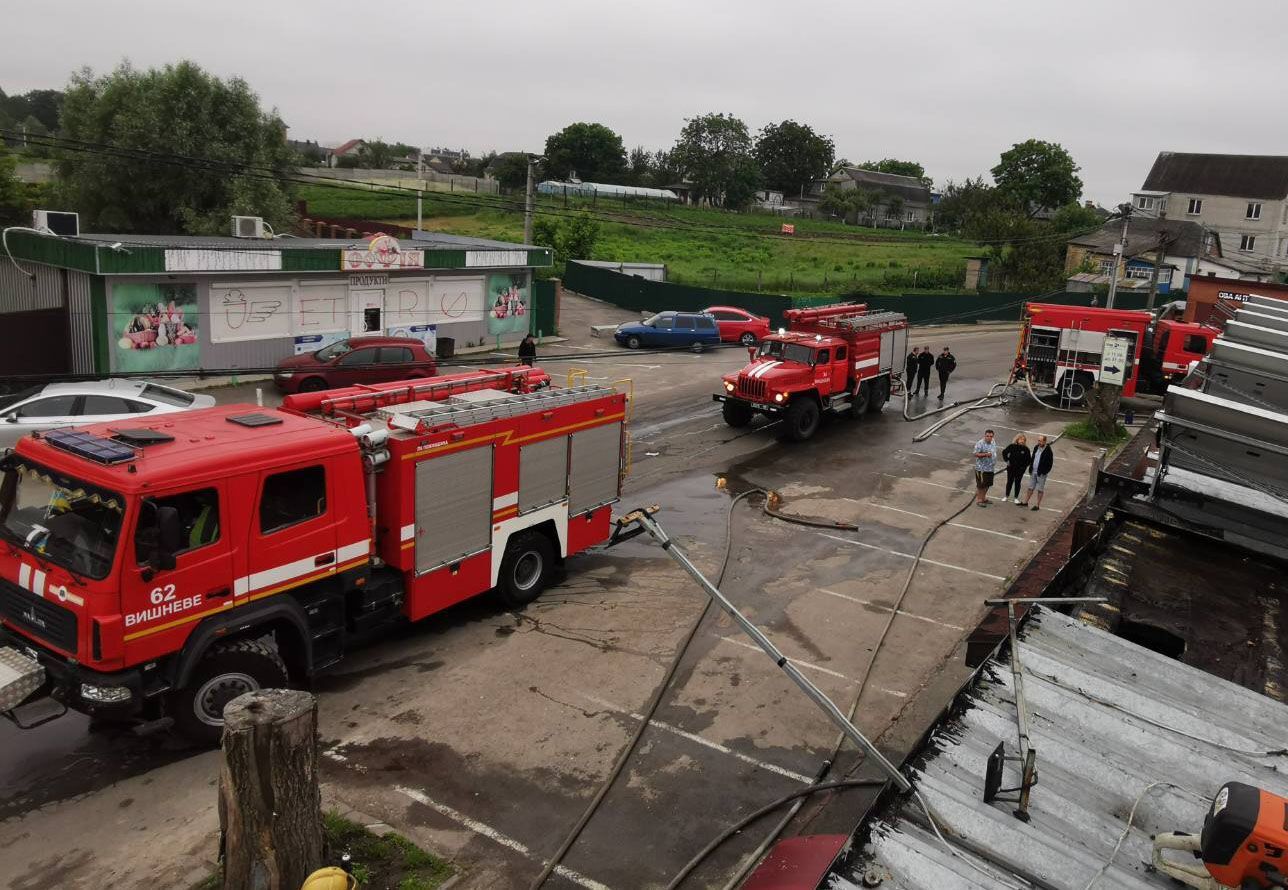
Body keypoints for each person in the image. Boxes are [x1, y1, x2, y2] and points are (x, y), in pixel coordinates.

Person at [1022, 434, 1055, 511]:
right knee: (1030, 487)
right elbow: (1033, 458)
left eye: (1040, 441)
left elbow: (1050, 463)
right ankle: (1025, 502)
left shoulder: (1048, 450)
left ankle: (1037, 505)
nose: (1039, 442)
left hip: (1041, 473)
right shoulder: (1036, 447)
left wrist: (1044, 471)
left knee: (1040, 489)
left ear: (1044, 441)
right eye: (1038, 440)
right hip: (1033, 471)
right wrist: (1030, 468)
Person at [1001, 434, 1031, 504]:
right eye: (1021, 439)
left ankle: (1016, 497)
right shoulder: (1012, 446)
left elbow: (1029, 460)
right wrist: (1007, 460)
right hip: (1011, 468)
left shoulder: (1026, 449)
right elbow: (1004, 452)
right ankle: (1006, 496)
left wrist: (1023, 468)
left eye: (1024, 440)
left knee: (1017, 482)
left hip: (1020, 470)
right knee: (1009, 481)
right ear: (1017, 439)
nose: (1022, 441)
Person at [973, 429, 997, 506]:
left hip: (990, 468)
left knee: (987, 484)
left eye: (991, 436)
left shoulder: (993, 441)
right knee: (981, 485)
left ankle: (983, 498)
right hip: (981, 469)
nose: (989, 438)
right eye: (987, 436)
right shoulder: (980, 443)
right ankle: (979, 500)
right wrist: (985, 454)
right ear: (984, 436)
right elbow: (975, 454)